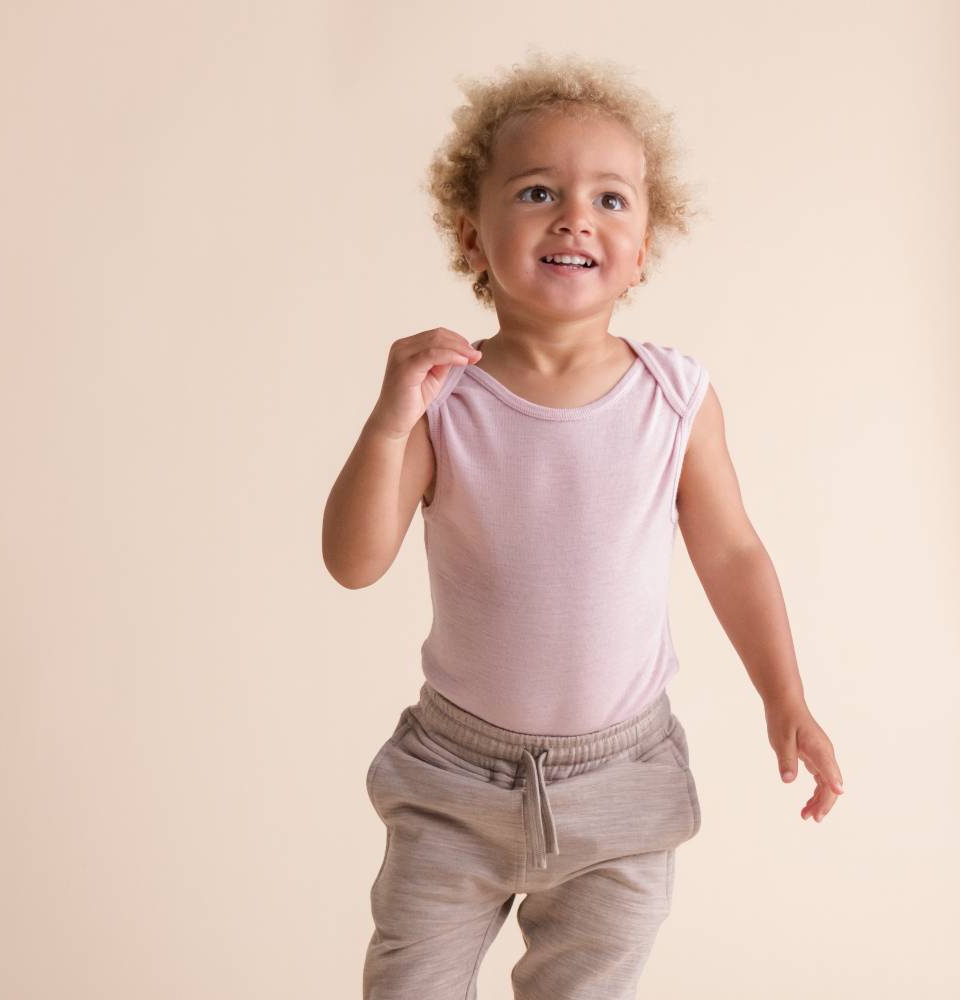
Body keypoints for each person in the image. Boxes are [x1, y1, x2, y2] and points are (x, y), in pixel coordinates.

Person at [322, 49, 845, 1000]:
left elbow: (732, 552)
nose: (574, 216)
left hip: (623, 782)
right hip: (455, 782)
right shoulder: (444, 400)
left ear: (643, 248)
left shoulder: (675, 397)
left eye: (610, 199)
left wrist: (786, 697)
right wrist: (389, 420)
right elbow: (353, 563)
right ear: (471, 236)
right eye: (536, 192)